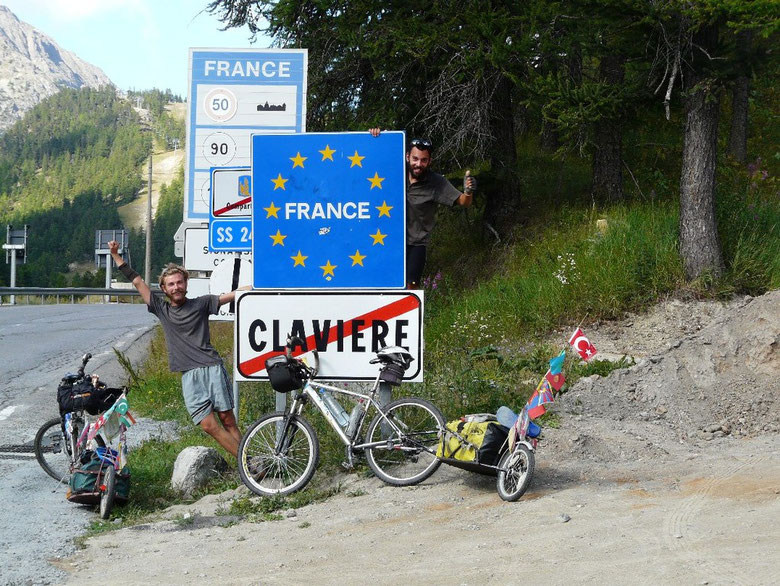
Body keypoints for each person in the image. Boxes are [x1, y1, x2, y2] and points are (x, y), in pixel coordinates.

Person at [108, 240, 246, 458]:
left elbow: (235, 294)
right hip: (188, 375)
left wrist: (262, 284)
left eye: (179, 283)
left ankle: (250, 468)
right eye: (171, 284)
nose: (176, 287)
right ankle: (249, 463)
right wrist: (116, 256)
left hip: (211, 367)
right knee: (208, 425)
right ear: (164, 289)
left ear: (186, 284)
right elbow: (137, 281)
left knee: (228, 420)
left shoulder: (202, 303)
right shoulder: (161, 309)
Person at [370, 128, 476, 287]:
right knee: (381, 286)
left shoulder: (436, 182)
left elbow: (463, 202)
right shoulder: (393, 173)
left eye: (423, 160)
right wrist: (378, 137)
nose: (418, 164)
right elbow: (369, 161)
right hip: (386, 239)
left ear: (429, 161)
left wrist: (468, 191)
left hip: (416, 244)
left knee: (410, 288)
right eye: (415, 159)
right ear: (407, 157)